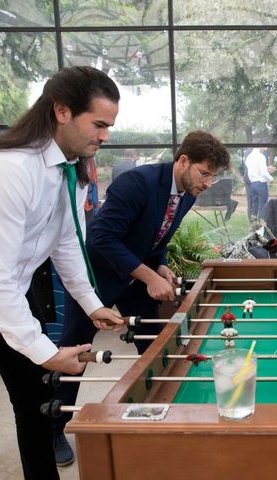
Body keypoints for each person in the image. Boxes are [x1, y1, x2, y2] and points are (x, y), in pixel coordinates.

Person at [53, 129, 230, 464]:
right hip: (96, 278)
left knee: (154, 345)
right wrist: (147, 274)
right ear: (183, 161)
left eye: (213, 177)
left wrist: (160, 266)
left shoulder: (187, 193)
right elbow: (102, 239)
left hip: (135, 279)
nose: (207, 183)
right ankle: (56, 426)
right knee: (75, 351)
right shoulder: (136, 183)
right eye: (204, 173)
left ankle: (161, 413)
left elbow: (157, 238)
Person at [0, 66, 123, 479]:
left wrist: (92, 303)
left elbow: (67, 243)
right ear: (62, 111)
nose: (104, 136)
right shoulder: (10, 169)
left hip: (16, 291)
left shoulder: (73, 168)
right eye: (98, 124)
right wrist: (45, 351)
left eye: (109, 127)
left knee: (33, 406)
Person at [245, 147, 275, 221]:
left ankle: (253, 224)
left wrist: (265, 169)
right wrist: (271, 179)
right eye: (265, 147)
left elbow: (253, 170)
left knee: (254, 206)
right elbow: (263, 173)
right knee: (263, 206)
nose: (266, 149)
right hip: (261, 184)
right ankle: (262, 225)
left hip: (253, 183)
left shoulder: (249, 156)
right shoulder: (261, 157)